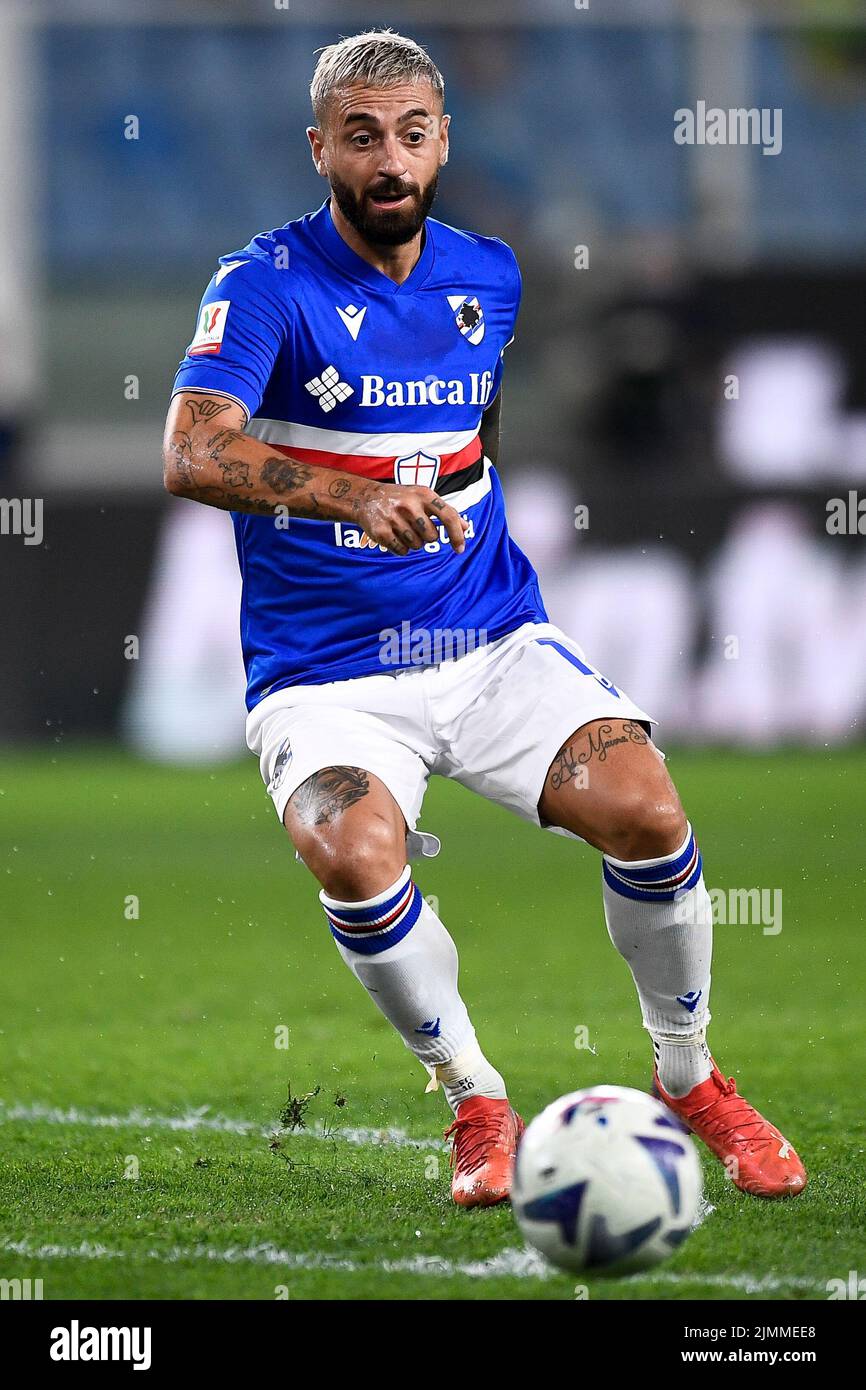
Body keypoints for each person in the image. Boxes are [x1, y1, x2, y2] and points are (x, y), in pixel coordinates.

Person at [162, 29, 806, 1207]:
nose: (390, 159)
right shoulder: (260, 284)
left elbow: (474, 428)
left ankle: (689, 1076)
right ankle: (472, 1095)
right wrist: (355, 495)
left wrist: (467, 525)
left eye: (412, 132)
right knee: (352, 853)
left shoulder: (487, 275)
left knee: (645, 808)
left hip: (488, 636)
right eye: (362, 138)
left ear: (443, 137)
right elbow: (193, 449)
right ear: (321, 148)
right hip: (326, 671)